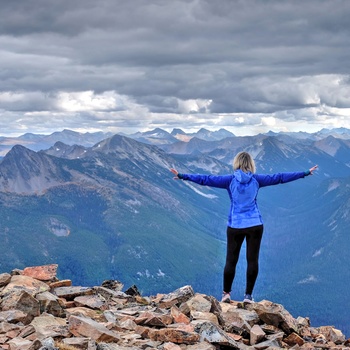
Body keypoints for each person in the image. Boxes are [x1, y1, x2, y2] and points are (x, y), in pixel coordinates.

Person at [170, 151, 318, 303]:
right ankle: (248, 296)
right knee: (252, 260)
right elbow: (280, 177)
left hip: (235, 225)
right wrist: (305, 173)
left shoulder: (229, 180)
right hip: (255, 225)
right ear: (251, 164)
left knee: (231, 261)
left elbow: (206, 179)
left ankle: (226, 294)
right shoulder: (257, 180)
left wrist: (183, 176)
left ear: (236, 163)